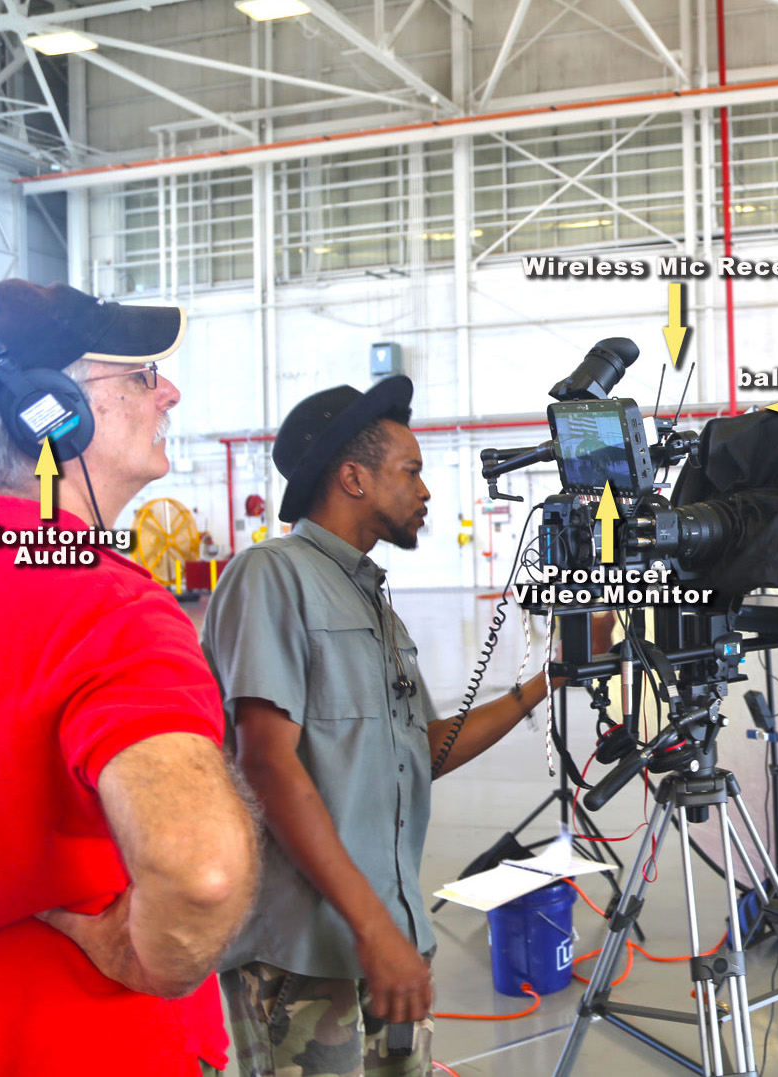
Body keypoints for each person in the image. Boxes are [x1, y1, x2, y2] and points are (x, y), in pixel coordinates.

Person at [203, 377, 579, 1076]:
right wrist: (373, 929)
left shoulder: (371, 598)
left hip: (391, 938)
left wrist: (547, 681)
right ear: (354, 478)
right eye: (411, 471)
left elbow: (421, 749)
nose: (425, 491)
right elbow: (267, 764)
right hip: (308, 955)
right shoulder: (272, 575)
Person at [0, 279, 260, 1076]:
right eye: (141, 376)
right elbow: (201, 870)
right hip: (91, 1046)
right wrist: (144, 956)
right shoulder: (106, 609)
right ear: (53, 413)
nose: (167, 391)